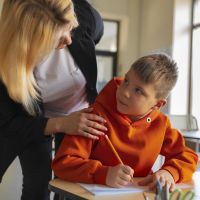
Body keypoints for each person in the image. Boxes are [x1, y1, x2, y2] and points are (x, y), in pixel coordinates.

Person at [0, 0, 106, 200]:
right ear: (29, 40)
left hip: (79, 114)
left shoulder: (86, 17)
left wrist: (72, 123)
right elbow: (9, 126)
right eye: (58, 36)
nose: (69, 39)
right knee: (38, 182)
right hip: (33, 121)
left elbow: (94, 36)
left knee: (73, 183)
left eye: (70, 29)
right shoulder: (4, 65)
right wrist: (59, 124)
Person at [52, 53, 198, 191]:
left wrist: (169, 173)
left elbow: (187, 156)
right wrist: (103, 173)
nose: (125, 92)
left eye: (138, 91)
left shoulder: (161, 124)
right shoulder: (94, 116)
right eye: (126, 81)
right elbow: (63, 163)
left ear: (157, 105)